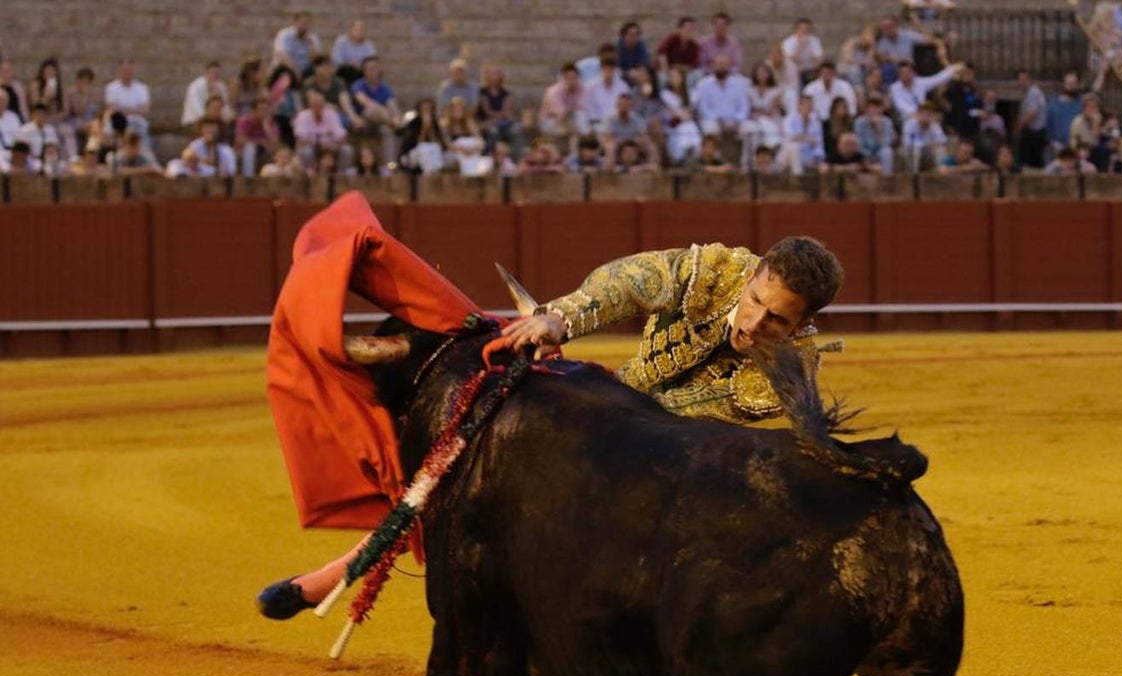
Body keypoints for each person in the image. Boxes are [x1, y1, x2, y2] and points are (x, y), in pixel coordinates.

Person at [258, 235, 845, 618]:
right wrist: (563, 318)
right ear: (752, 278)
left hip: (671, 474)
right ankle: (336, 575)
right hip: (617, 408)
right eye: (755, 301)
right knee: (471, 438)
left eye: (776, 320)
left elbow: (688, 437)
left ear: (803, 325)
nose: (755, 320)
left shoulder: (787, 381)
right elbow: (629, 282)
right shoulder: (717, 270)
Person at [272, 11, 321, 77]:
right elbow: (282, 56)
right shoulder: (284, 35)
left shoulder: (312, 38)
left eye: (308, 23)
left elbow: (317, 61)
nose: (305, 26)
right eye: (303, 23)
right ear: (295, 22)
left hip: (305, 71)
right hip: (287, 69)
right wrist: (295, 70)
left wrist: (310, 44)